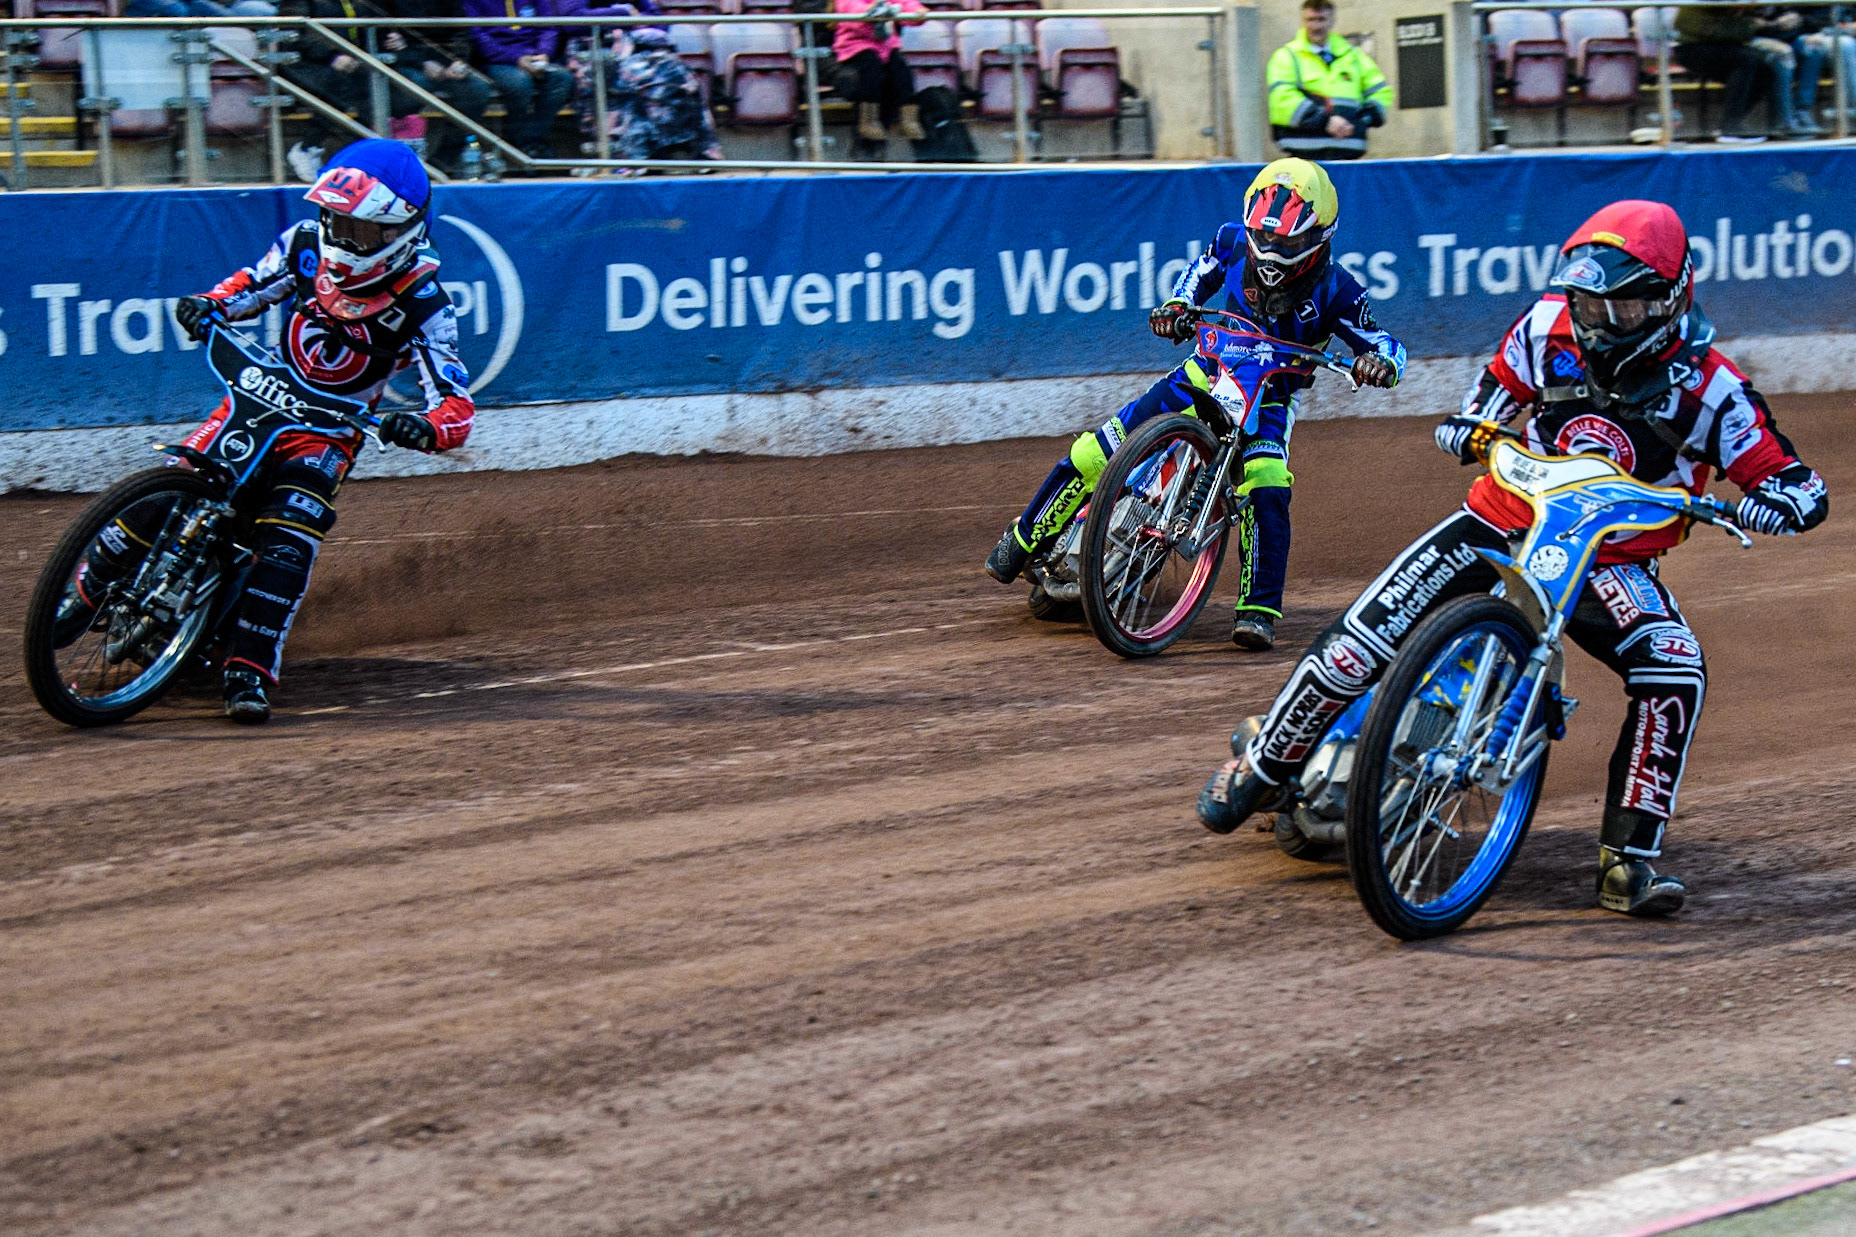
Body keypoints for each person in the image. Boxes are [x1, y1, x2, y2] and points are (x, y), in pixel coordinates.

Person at [1196, 200, 1829, 916]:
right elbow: (1485, 400)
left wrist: (1778, 502)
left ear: (1669, 299)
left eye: (1621, 309)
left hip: (1609, 561)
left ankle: (1628, 860)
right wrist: (1470, 428)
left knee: (1674, 665)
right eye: (1589, 302)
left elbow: (1797, 483)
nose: (1599, 321)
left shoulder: (1712, 388)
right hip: (1502, 518)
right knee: (1366, 629)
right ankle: (1259, 765)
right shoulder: (1545, 326)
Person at [983, 158, 1406, 652]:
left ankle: (1258, 611)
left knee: (1267, 487)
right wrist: (1177, 308)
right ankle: (1024, 538)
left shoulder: (1339, 291)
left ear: (1320, 237)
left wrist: (1379, 364)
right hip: (1202, 373)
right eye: (1263, 238)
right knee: (1097, 451)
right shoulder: (1229, 240)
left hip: (1269, 401)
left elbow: (1386, 344)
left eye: (1287, 244)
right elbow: (1195, 278)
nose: (1270, 251)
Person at [166, 139, 475, 723]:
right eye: (335, 219)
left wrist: (426, 428)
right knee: (177, 477)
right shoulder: (304, 244)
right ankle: (82, 591)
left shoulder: (425, 303)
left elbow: (457, 406)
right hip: (260, 398)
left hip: (328, 431)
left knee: (290, 534)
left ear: (399, 232)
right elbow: (247, 288)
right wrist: (206, 304)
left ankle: (248, 670)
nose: (340, 237)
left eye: (358, 230)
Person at [275, 0, 431, 181]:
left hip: (352, 62)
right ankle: (308, 147)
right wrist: (331, 55)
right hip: (302, 63)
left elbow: (375, 26)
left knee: (403, 83)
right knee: (342, 84)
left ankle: (376, 157)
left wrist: (392, 38)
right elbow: (294, 33)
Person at [573, 25, 722, 164]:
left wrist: (635, 26)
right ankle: (639, 156)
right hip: (594, 44)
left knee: (670, 70)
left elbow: (655, 16)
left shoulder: (659, 57)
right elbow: (574, 19)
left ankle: (700, 151)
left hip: (636, 42)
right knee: (621, 80)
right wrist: (622, 15)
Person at [382, 0, 499, 174]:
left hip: (446, 62)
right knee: (414, 87)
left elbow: (462, 31)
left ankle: (447, 156)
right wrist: (422, 62)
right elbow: (386, 37)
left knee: (477, 89)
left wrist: (458, 60)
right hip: (407, 62)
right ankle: (402, 162)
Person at [1266, 0, 1389, 161]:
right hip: (1304, 159)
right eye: (1310, 20)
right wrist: (1325, 121)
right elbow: (1282, 99)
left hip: (1347, 157)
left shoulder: (1354, 56)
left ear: (1332, 21)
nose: (1316, 26)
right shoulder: (1286, 56)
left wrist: (1363, 119)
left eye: (1321, 20)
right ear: (1303, 21)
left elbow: (1381, 92)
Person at [462, 0, 576, 159]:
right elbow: (477, 36)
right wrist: (515, 58)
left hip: (534, 55)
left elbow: (549, 27)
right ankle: (517, 145)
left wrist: (544, 53)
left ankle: (531, 141)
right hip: (495, 60)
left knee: (561, 78)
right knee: (519, 83)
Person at [833, 0, 927, 152]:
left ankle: (909, 118)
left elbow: (904, 3)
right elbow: (849, 8)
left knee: (901, 69)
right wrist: (870, 10)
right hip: (856, 44)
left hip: (886, 45)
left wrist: (917, 11)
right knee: (871, 69)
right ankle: (868, 120)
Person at [1673, 5, 1777, 142]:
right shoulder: (1696, 10)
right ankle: (1730, 129)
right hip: (1692, 47)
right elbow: (1713, 29)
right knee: (1745, 60)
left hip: (1721, 44)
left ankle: (1730, 124)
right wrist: (1750, 25)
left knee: (1765, 72)